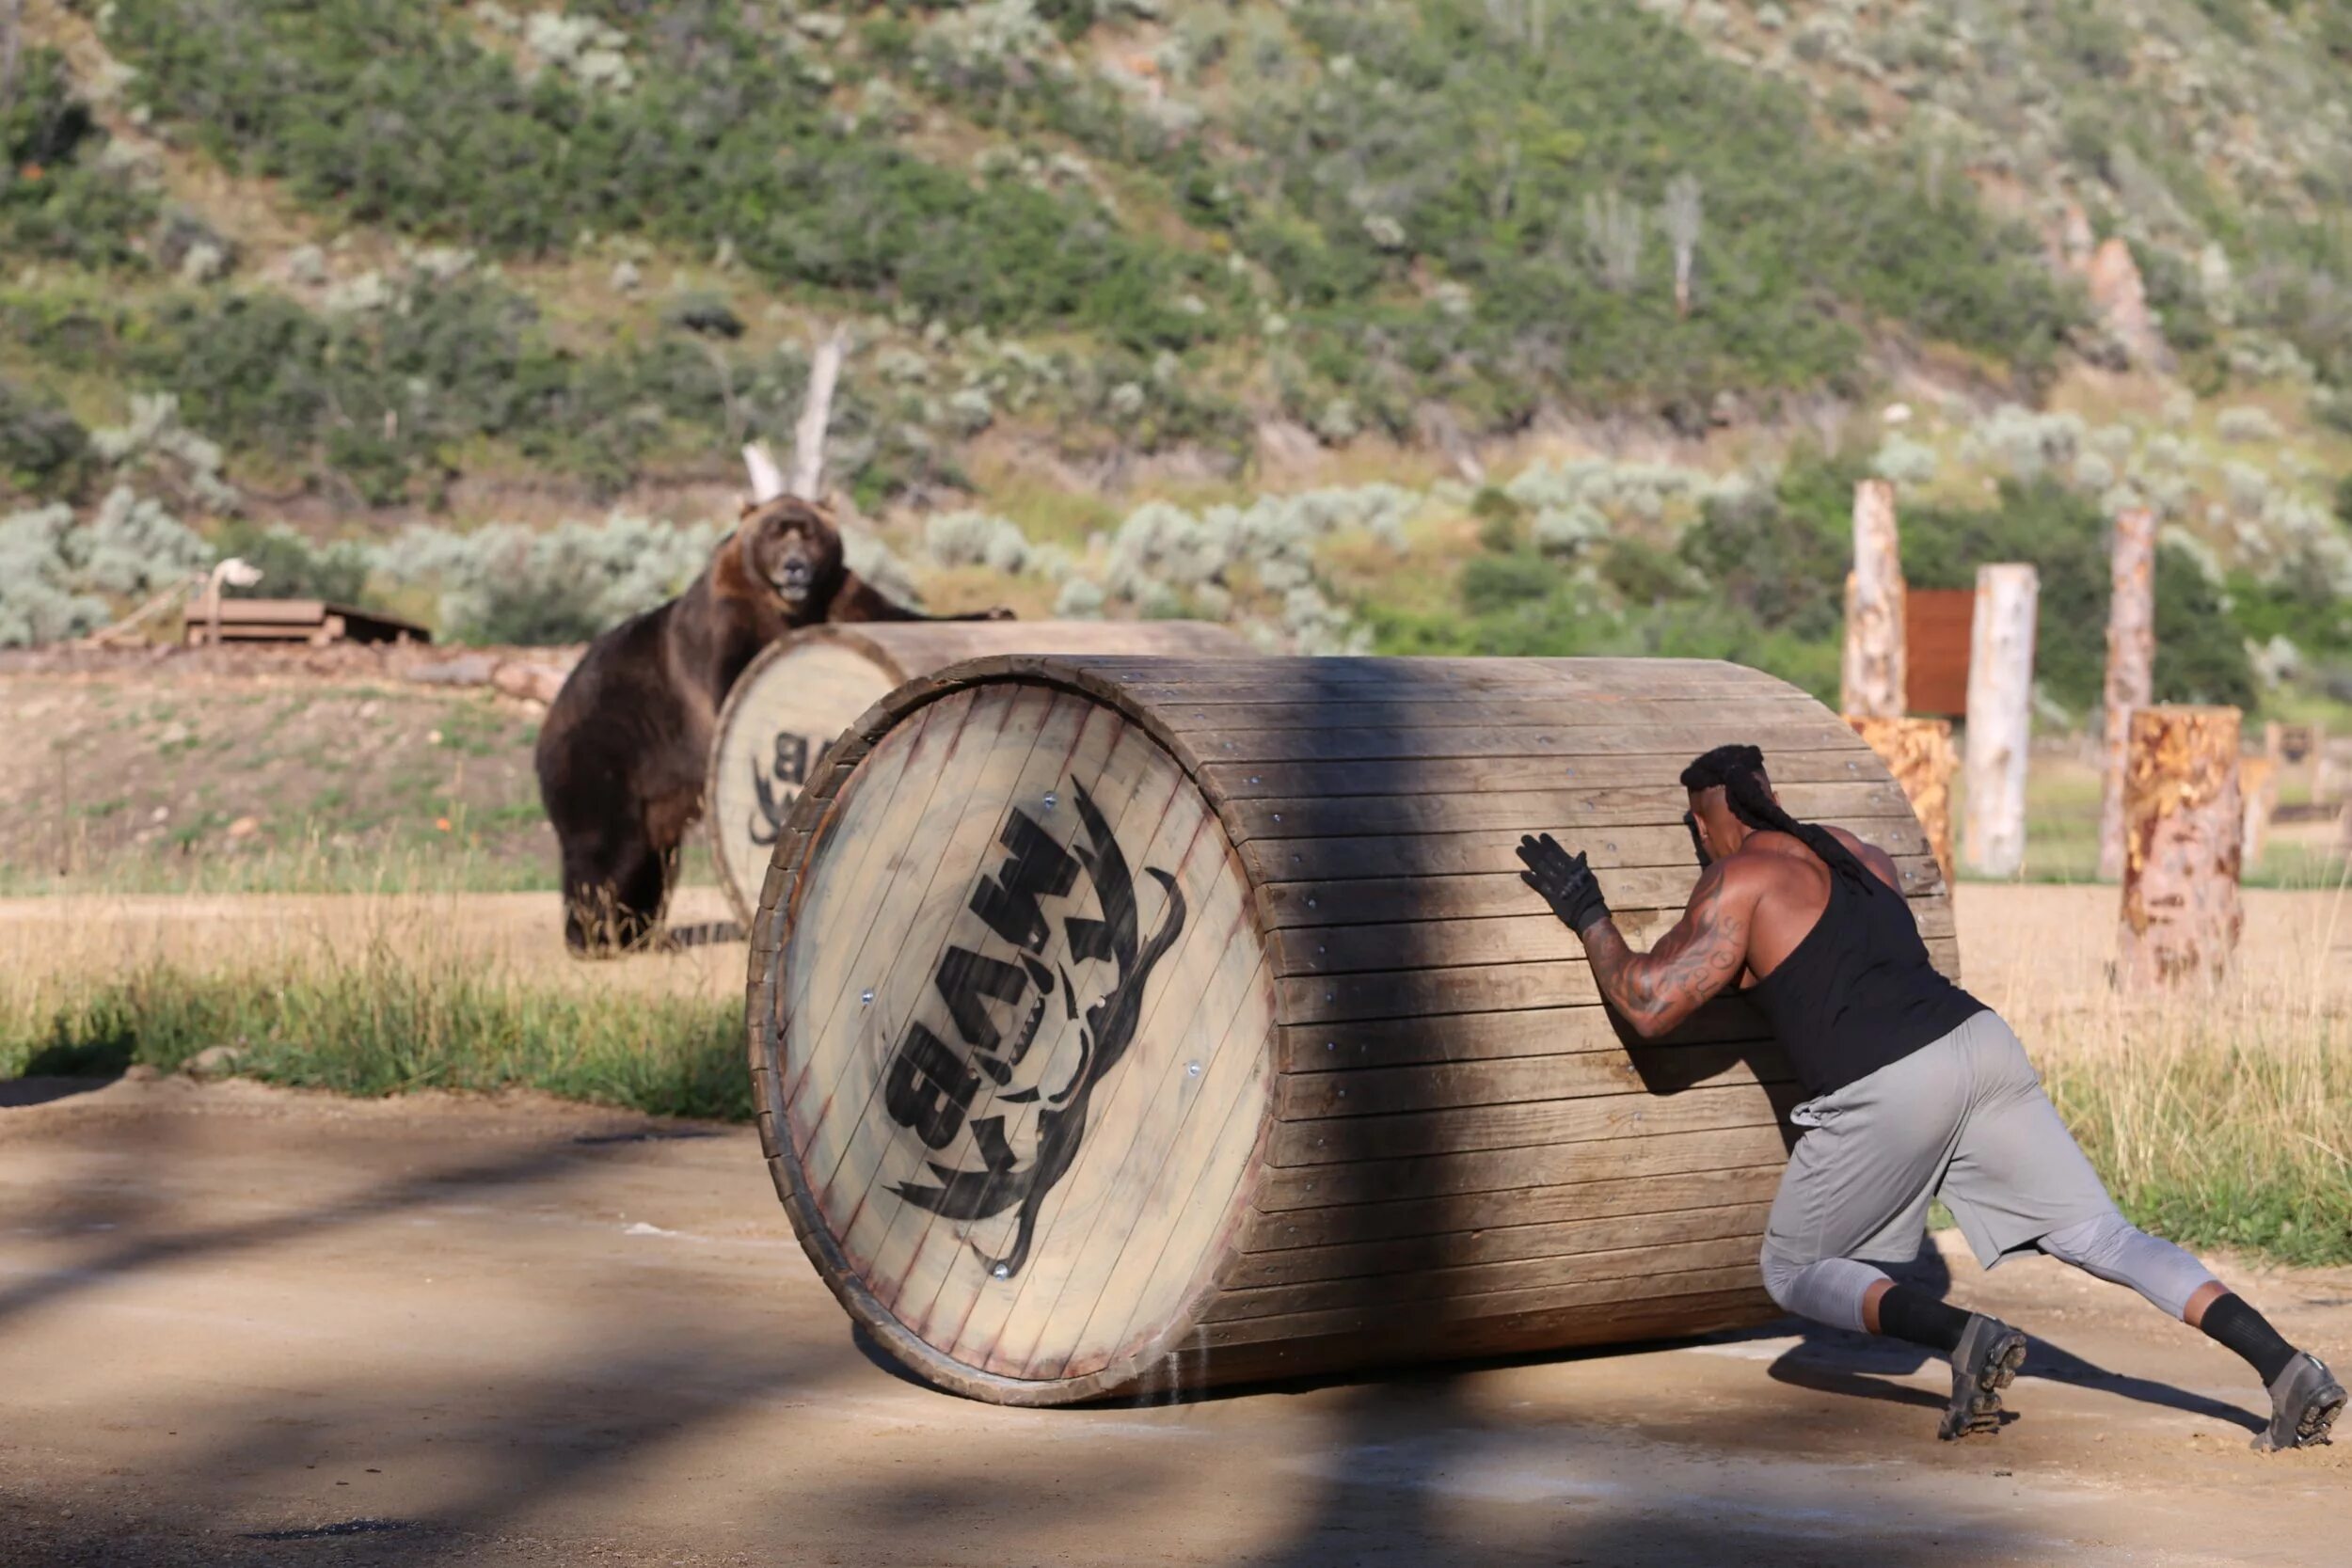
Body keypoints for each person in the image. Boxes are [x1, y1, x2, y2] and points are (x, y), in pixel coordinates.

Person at [1516, 742, 2343, 1450]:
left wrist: (1588, 913)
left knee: (1792, 1266)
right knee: (2100, 1234)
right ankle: (2285, 1367)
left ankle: (1964, 1337)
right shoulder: (1855, 852)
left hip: (1892, 1080)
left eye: (1698, 831)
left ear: (1707, 819)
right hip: (1979, 1043)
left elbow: (1650, 1004)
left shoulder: (1737, 878)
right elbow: (1845, 962)